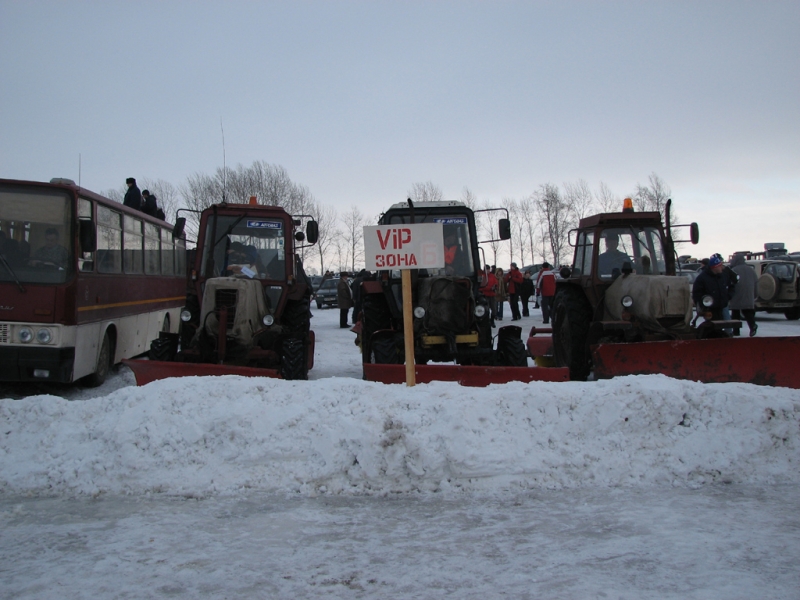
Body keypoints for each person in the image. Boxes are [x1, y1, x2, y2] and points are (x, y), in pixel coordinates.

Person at [692, 254, 735, 321]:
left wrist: (727, 297)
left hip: (721, 306)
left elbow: (731, 286)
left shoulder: (723, 276)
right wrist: (704, 303)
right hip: (709, 309)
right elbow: (697, 293)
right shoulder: (702, 278)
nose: (722, 267)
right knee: (712, 327)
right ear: (715, 267)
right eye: (720, 266)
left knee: (723, 325)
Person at [729, 254, 757, 336]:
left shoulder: (733, 270)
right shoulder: (751, 270)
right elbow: (756, 283)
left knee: (735, 314)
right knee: (748, 312)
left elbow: (730, 283)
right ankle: (752, 326)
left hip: (736, 295)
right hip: (749, 295)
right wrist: (755, 294)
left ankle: (736, 331)